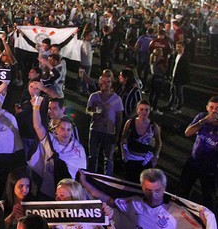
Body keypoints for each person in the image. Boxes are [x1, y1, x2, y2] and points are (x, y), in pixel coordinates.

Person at [80, 168, 215, 229]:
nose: (154, 194)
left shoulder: (177, 212)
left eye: (157, 190)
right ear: (142, 188)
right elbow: (109, 200)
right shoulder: (133, 203)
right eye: (148, 190)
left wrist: (204, 222)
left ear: (164, 187)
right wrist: (86, 184)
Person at [29, 95, 86, 199]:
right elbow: (37, 126)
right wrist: (36, 107)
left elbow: (82, 173)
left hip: (69, 194)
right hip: (48, 190)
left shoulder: (79, 149)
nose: (66, 133)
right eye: (63, 129)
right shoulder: (50, 142)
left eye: (68, 130)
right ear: (56, 130)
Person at [181, 96, 218, 209]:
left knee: (208, 198)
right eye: (211, 107)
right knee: (183, 190)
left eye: (217, 108)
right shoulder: (202, 117)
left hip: (209, 168)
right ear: (207, 108)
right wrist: (204, 121)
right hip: (193, 161)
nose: (214, 111)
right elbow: (187, 133)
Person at [85, 75, 124, 176]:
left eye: (108, 82)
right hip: (95, 130)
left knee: (109, 158)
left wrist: (117, 134)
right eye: (103, 81)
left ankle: (107, 180)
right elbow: (88, 110)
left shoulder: (117, 99)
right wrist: (96, 110)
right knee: (93, 156)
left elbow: (119, 118)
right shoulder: (94, 96)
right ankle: (92, 177)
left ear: (111, 84)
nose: (105, 84)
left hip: (109, 132)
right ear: (99, 83)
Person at [120, 100, 162, 183]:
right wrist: (123, 153)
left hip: (145, 161)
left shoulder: (153, 126)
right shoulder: (130, 122)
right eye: (141, 109)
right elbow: (123, 138)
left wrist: (155, 157)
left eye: (146, 110)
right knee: (130, 183)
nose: (144, 112)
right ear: (137, 110)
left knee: (144, 184)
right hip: (131, 159)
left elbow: (158, 143)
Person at [166, 41, 189, 114]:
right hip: (173, 76)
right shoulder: (175, 55)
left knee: (179, 93)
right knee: (172, 91)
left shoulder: (185, 57)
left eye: (180, 47)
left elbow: (186, 70)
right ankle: (171, 105)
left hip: (179, 78)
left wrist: (183, 79)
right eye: (177, 47)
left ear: (183, 47)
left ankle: (179, 108)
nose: (178, 48)